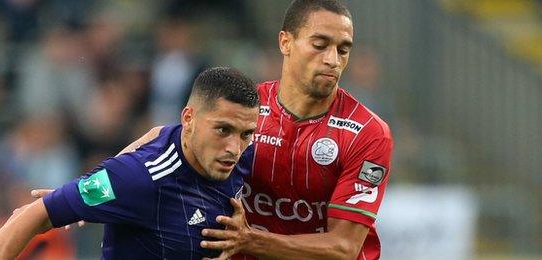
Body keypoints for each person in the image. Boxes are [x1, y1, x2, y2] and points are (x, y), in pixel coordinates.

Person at [110, 1, 393, 259]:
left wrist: (251, 241)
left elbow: (344, 248)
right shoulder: (248, 108)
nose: (333, 59)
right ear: (286, 42)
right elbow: (172, 143)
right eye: (320, 44)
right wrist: (96, 192)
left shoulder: (367, 132)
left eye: (343, 50)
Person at [0, 67, 260, 259]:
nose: (234, 149)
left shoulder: (243, 155)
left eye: (246, 134)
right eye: (222, 130)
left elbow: (159, 133)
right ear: (188, 119)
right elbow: (32, 215)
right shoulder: (136, 179)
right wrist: (84, 189)